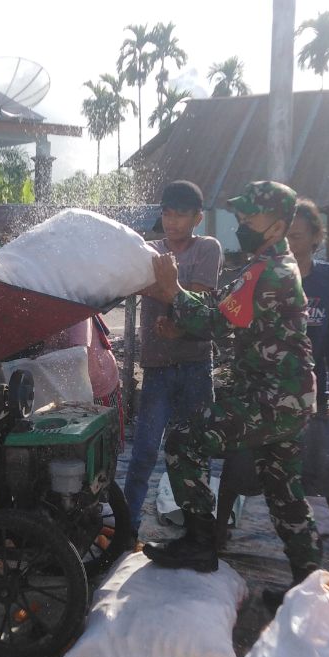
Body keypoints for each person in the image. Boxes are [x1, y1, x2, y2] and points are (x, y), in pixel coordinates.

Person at [142, 181, 319, 602]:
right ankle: (309, 595)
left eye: (250, 218)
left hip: (271, 400)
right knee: (286, 496)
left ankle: (200, 542)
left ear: (276, 226)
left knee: (184, 437)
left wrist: (172, 292)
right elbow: (225, 308)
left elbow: (216, 322)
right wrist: (183, 319)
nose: (241, 224)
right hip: (288, 399)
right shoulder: (270, 264)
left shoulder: (270, 271)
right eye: (239, 217)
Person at [214, 202, 329, 577]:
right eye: (283, 234)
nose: (289, 241)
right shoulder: (261, 274)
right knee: (239, 464)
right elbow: (232, 323)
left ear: (317, 238)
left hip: (308, 392)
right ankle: (218, 530)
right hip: (259, 388)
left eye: (298, 236)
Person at [122, 180, 222, 531]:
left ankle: (199, 530)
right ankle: (127, 526)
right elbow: (142, 285)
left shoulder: (207, 248)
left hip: (195, 365)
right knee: (144, 451)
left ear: (197, 218)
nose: (172, 221)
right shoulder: (148, 249)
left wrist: (170, 299)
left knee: (193, 451)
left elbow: (197, 299)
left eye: (181, 215)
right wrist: (171, 293)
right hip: (156, 368)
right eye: (167, 213)